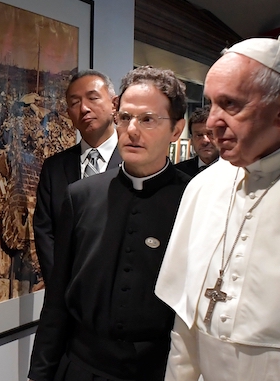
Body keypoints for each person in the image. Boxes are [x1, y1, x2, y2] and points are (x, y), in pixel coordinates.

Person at [29, 66, 191, 381]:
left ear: (176, 130)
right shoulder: (81, 196)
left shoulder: (194, 200)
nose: (132, 130)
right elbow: (57, 302)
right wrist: (39, 374)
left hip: (156, 371)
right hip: (82, 367)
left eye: (147, 120)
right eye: (126, 117)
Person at [155, 36, 280, 380]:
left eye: (231, 105)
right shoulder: (203, 186)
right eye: (211, 104)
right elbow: (185, 327)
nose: (211, 123)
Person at [33, 70, 123, 282]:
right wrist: (61, 287)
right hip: (67, 299)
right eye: (75, 103)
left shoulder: (135, 163)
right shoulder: (54, 168)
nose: (84, 108)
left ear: (114, 104)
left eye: (93, 98)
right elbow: (45, 232)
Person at [176, 106, 219, 177]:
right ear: (192, 140)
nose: (205, 141)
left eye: (210, 133)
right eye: (199, 135)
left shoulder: (235, 171)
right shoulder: (178, 173)